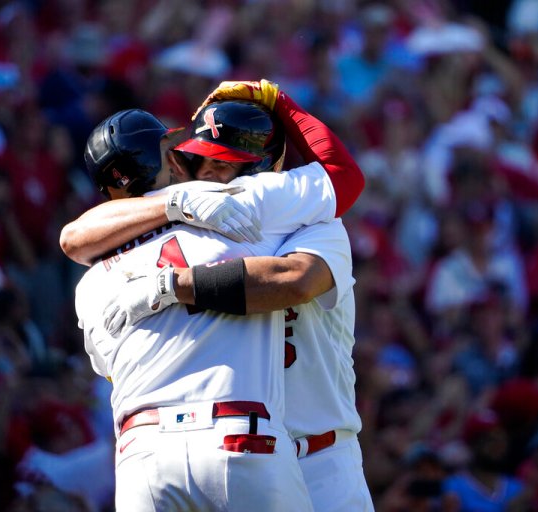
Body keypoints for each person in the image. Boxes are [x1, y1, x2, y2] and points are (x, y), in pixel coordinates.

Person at [61, 80, 374, 511]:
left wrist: (171, 285)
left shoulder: (311, 223)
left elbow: (296, 279)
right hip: (249, 446)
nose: (211, 174)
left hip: (321, 456)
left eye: (228, 164)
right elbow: (72, 237)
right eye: (203, 160)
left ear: (271, 163)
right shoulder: (215, 203)